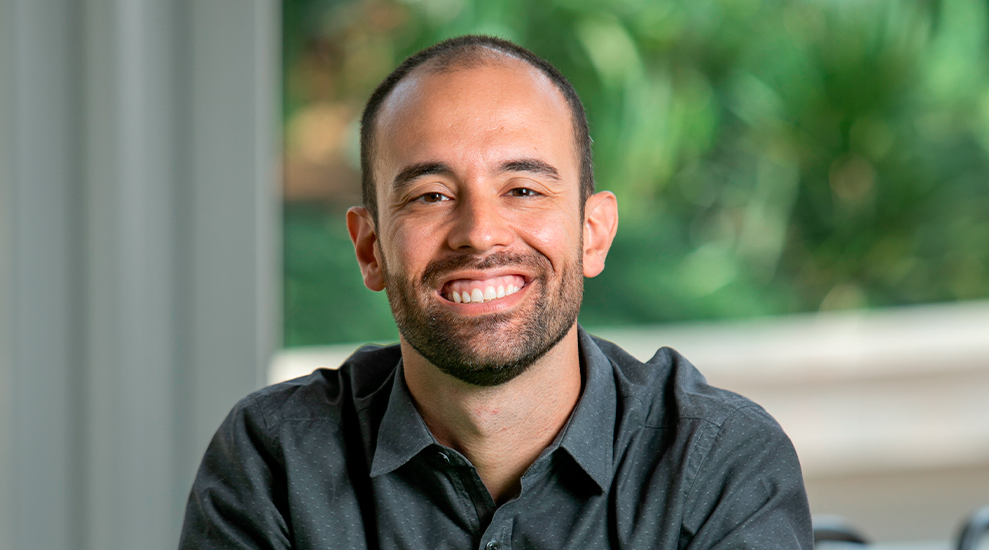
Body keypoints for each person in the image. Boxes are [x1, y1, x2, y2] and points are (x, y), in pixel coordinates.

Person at [179, 35, 812, 549]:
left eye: (524, 190)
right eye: (431, 196)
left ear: (593, 234)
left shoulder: (716, 461)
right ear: (371, 249)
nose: (479, 234)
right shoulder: (275, 461)